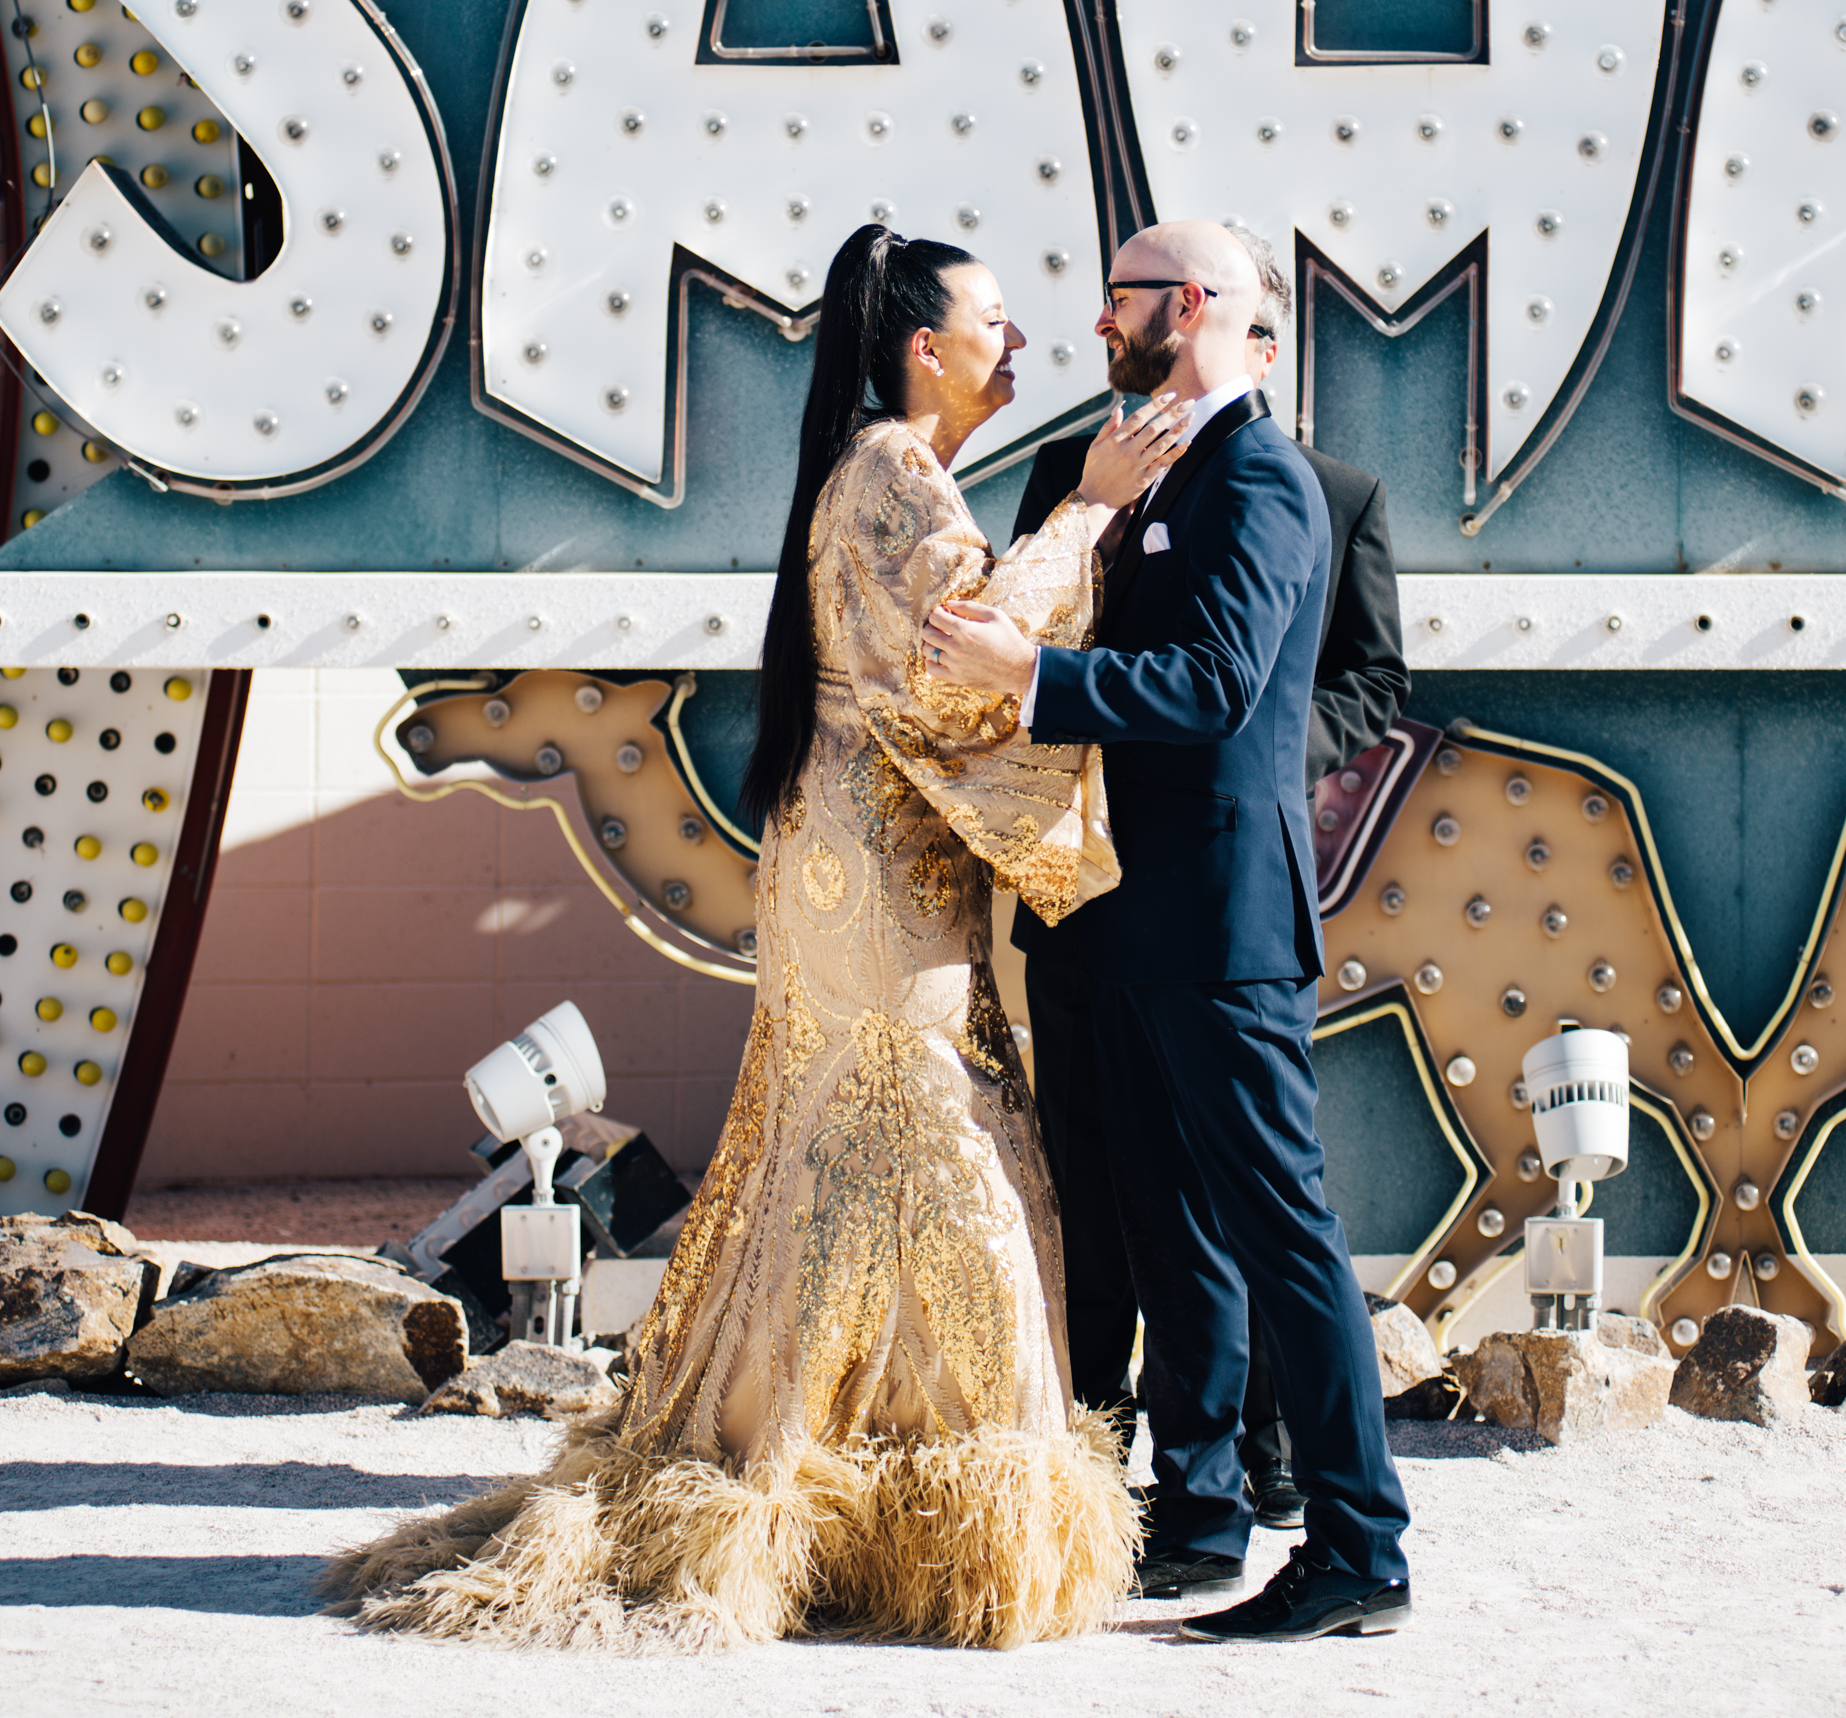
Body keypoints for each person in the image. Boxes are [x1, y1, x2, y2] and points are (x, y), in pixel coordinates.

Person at [325, 224, 1190, 1652]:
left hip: (866, 861)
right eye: (993, 317)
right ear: (923, 345)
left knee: (861, 1145)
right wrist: (1089, 514)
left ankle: (829, 1474)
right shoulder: (892, 471)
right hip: (875, 874)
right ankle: (879, 1483)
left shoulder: (880, 469)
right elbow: (952, 659)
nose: (1017, 338)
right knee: (937, 1144)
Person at [927, 220, 1412, 1645]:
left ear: (1187, 308)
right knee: (1157, 1227)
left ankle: (1357, 1551)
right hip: (1103, 915)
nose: (1095, 322)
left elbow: (1209, 687)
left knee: (1281, 1235)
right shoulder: (1145, 469)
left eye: (1123, 297)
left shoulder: (1261, 481)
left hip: (1215, 924)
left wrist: (1035, 676)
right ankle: (1192, 1526)